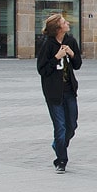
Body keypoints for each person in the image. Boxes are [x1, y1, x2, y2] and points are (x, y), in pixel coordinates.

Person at [36, 14, 82, 173]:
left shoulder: (70, 41)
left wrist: (71, 54)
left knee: (72, 125)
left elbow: (78, 65)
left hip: (69, 90)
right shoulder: (47, 44)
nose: (67, 23)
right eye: (64, 22)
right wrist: (57, 57)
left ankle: (58, 145)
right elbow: (42, 70)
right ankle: (61, 160)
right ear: (57, 28)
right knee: (60, 127)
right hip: (53, 92)